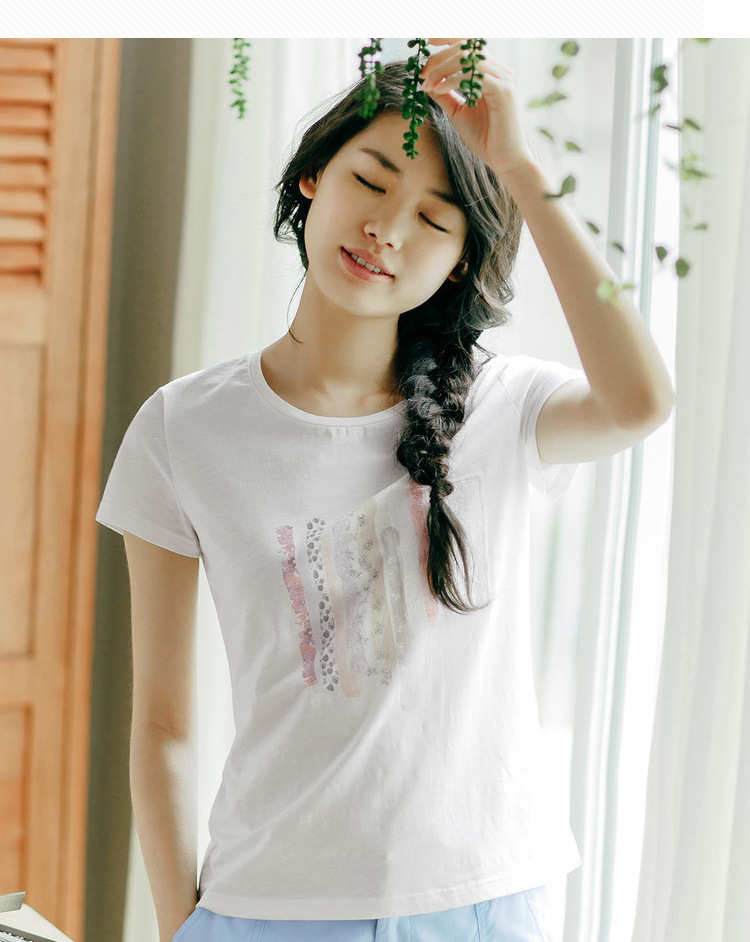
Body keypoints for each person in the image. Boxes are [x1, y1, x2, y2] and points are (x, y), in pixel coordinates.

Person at [96, 40, 675, 942]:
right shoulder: (182, 428)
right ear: (312, 179)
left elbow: (641, 400)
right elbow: (164, 722)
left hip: (480, 902)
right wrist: (181, 927)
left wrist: (521, 171)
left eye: (434, 219)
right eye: (369, 181)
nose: (387, 230)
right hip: (265, 906)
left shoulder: (502, 407)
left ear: (459, 263)